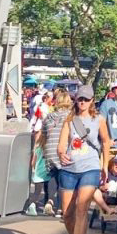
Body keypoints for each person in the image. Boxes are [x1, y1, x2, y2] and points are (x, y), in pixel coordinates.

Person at [57, 84, 111, 234]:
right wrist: (61, 153)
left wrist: (105, 165)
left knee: (82, 208)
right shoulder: (70, 119)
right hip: (69, 168)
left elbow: (106, 141)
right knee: (67, 213)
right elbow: (61, 144)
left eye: (86, 99)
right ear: (75, 100)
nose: (82, 102)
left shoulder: (98, 119)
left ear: (92, 101)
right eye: (80, 99)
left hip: (90, 167)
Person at [36, 87, 72, 216]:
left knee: (52, 175)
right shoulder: (70, 116)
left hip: (49, 149)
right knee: (64, 179)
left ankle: (50, 201)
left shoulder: (50, 116)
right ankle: (61, 208)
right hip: (63, 150)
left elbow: (43, 134)